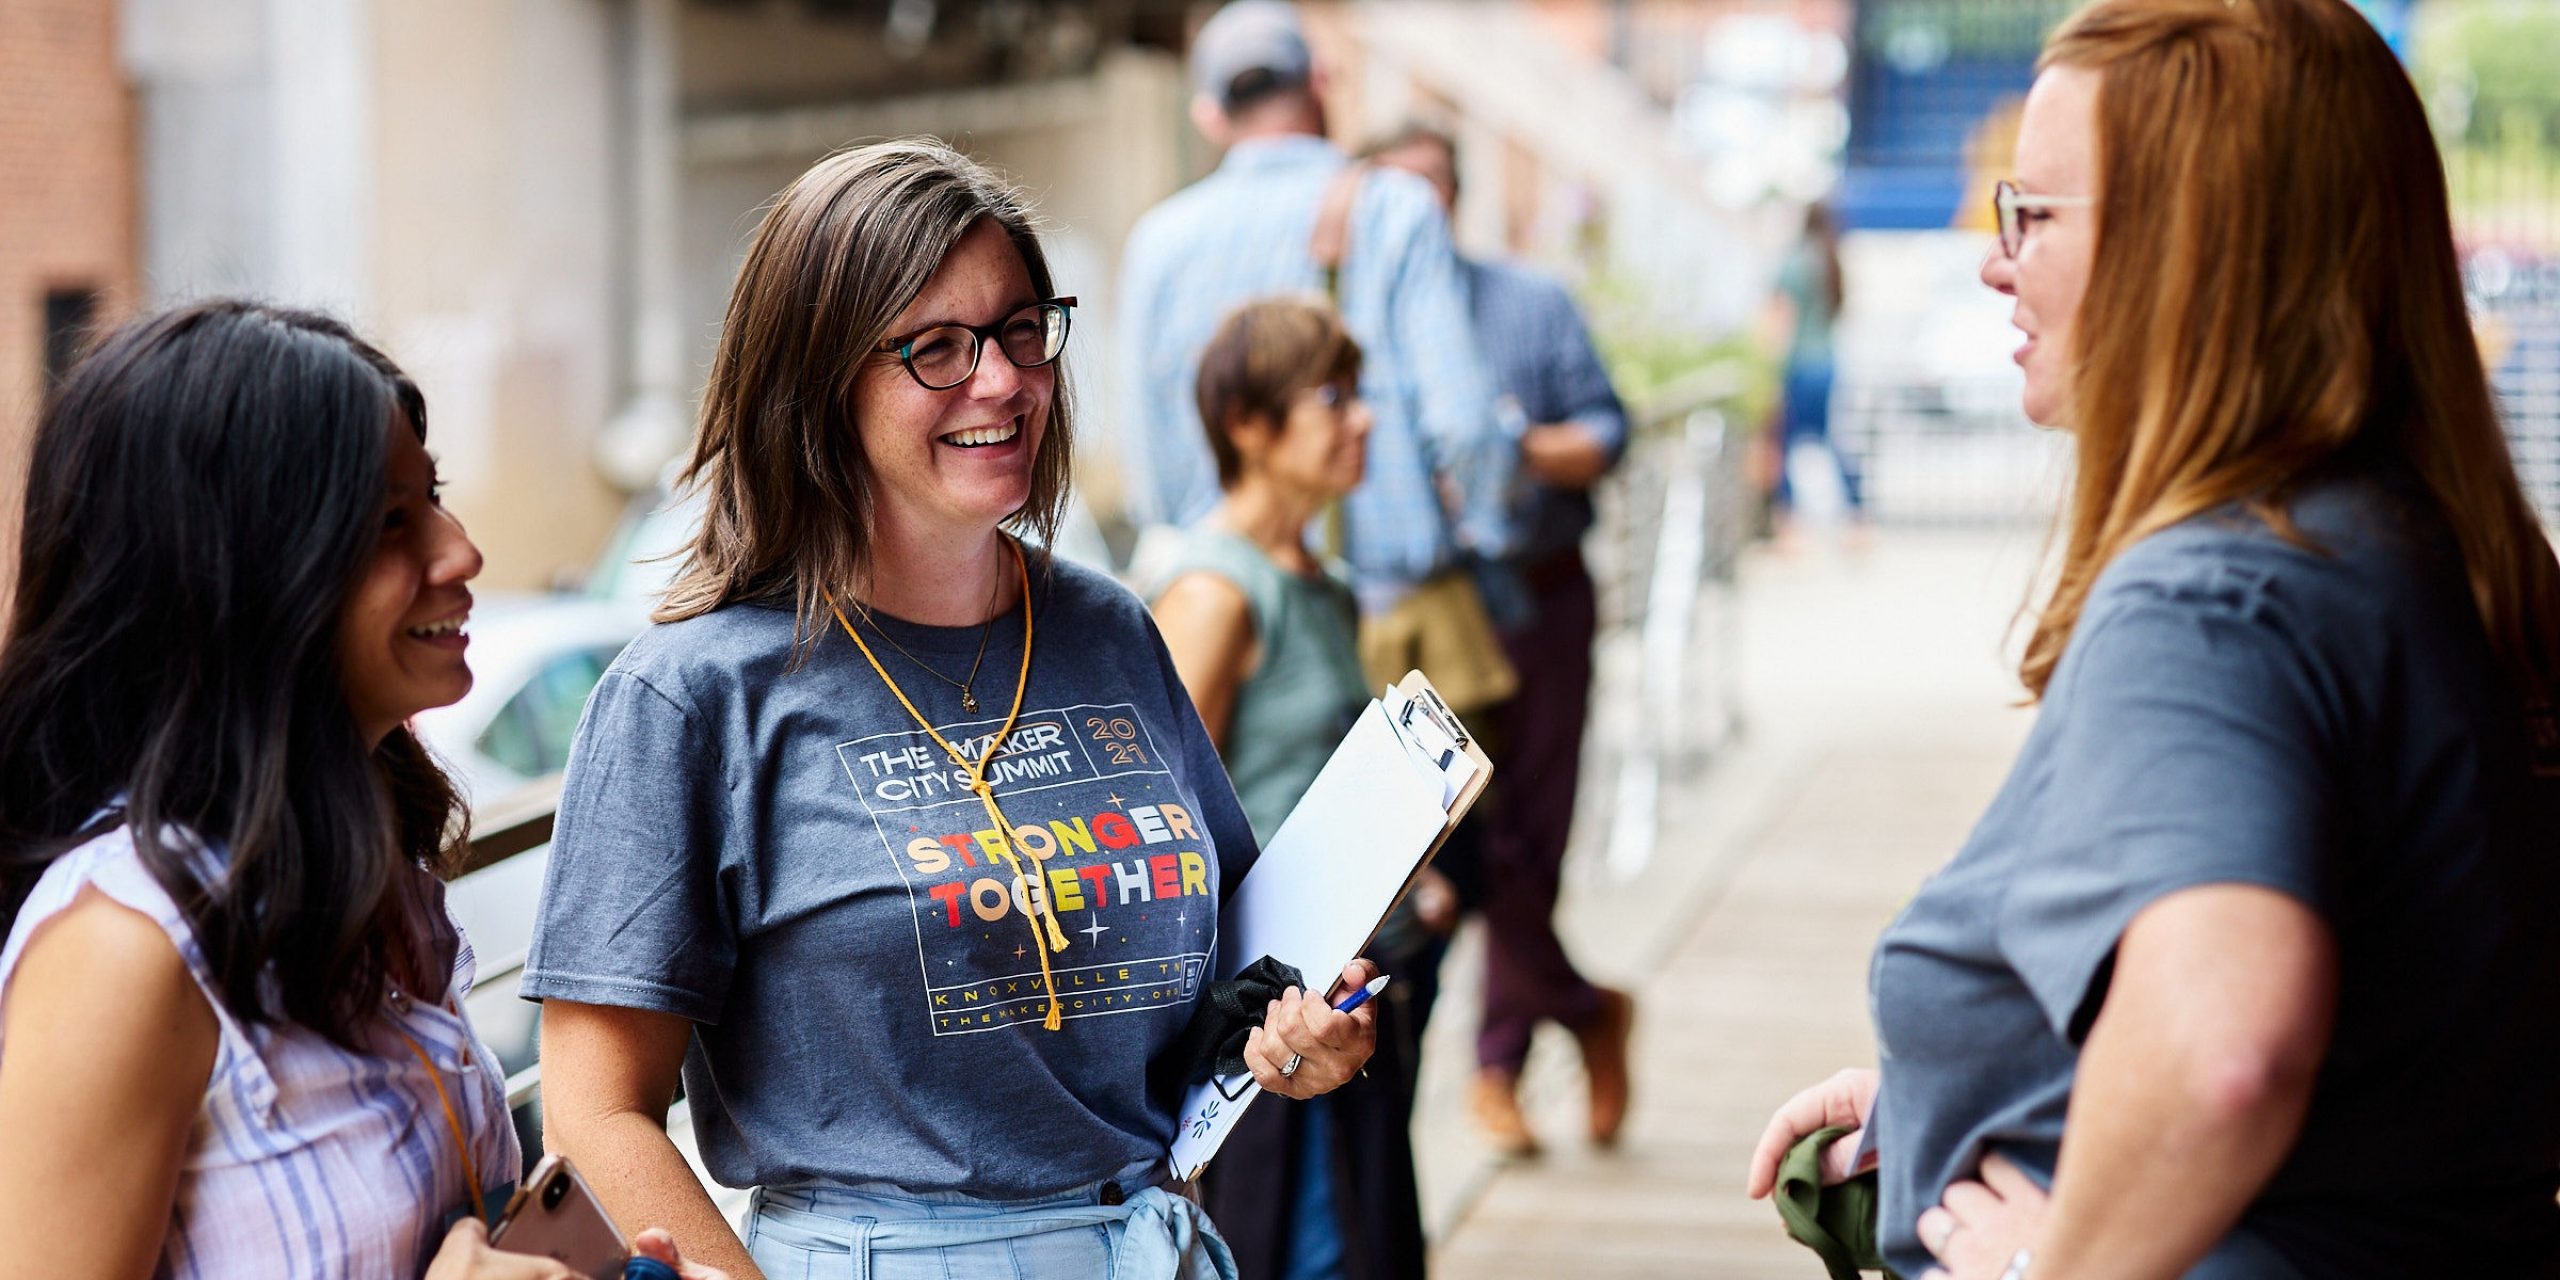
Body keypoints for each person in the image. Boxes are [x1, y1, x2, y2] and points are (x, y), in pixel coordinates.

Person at [1745, 2, 2560, 1277]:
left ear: (2187, 252)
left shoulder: (2211, 598)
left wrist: (2051, 1265)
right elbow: (2384, 1050)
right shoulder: (2403, 542)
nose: (1994, 260)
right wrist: (1985, 1099)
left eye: (2037, 214)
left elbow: (2223, 1048)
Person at [521, 139, 1380, 1280]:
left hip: (1152, 1241)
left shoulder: (1111, 630)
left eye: (1025, 329)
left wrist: (1308, 1036)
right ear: (818, 380)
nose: (1004, 380)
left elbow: (1236, 973)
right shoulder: (691, 693)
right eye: (938, 348)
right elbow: (593, 1109)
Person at [0, 301, 721, 1280]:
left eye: (435, 495)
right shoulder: (123, 952)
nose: (460, 551)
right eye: (390, 521)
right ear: (238, 576)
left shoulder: (369, 874)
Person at [1113, 0, 1516, 706]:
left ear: (1210, 115)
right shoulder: (1397, 208)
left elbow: (1148, 465)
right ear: (1321, 80)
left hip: (1228, 626)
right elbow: (1467, 426)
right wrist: (1481, 535)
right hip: (1396, 620)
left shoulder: (1158, 242)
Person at [1368, 123, 1637, 1161]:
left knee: (1535, 829)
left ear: (1455, 197)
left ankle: (1498, 1065)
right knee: (1471, 849)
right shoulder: (1358, 324)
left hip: (1542, 597)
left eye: (1425, 191)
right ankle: (1583, 1009)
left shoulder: (1531, 302)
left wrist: (1507, 446)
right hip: (1419, 614)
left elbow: (1606, 434)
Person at [1150, 298, 1430, 1280]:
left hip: (1354, 982)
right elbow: (1159, 823)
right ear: (1248, 424)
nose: (1362, 419)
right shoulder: (1214, 592)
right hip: (1268, 1017)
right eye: (1332, 397)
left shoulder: (1324, 576)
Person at [1763, 202, 1864, 540]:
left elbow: (1781, 321)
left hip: (1798, 366)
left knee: (1785, 442)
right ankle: (1857, 521)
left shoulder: (1793, 262)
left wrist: (1768, 371)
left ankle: (1789, 528)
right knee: (1834, 441)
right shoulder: (1830, 261)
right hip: (1829, 364)